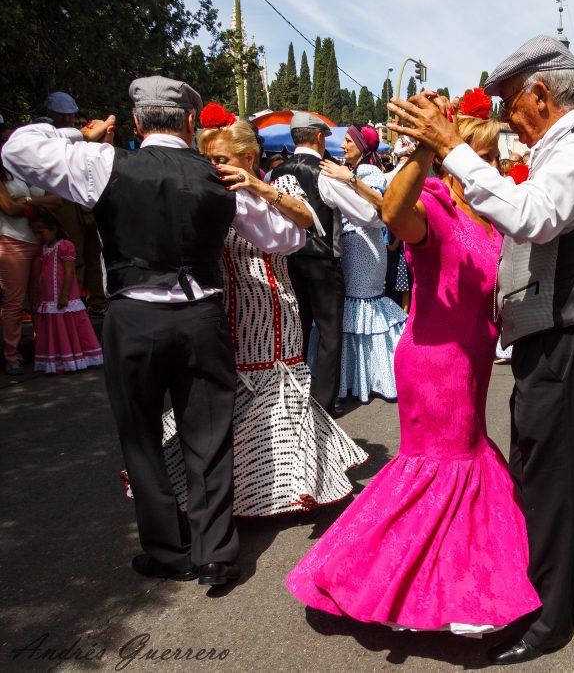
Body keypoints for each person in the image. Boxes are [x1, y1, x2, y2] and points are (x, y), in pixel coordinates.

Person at [388, 35, 574, 664]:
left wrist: (451, 148)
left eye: (511, 104)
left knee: (548, 478)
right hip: (549, 332)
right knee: (538, 471)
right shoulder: (563, 146)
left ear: (540, 94)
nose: (506, 119)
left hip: (567, 331)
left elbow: (532, 217)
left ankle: (551, 620)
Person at [2, 76, 309, 587]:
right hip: (203, 317)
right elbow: (284, 238)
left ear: (138, 123)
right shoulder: (217, 175)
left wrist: (83, 134)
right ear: (191, 124)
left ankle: (168, 550)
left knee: (140, 435)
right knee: (209, 437)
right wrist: (258, 189)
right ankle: (214, 554)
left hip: (134, 316)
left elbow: (17, 149)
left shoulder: (104, 164)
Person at [287, 91, 540, 634]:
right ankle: (391, 580)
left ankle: (457, 569)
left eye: (496, 158)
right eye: (483, 156)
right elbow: (393, 213)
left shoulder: (489, 212)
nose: (492, 167)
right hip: (434, 364)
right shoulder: (434, 201)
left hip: (471, 360)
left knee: (466, 459)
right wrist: (424, 153)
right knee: (435, 468)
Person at [150, 104, 368, 517]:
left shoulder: (282, 181)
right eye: (208, 159)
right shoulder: (208, 193)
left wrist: (257, 187)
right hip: (234, 312)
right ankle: (239, 491)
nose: (214, 167)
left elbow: (306, 221)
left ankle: (289, 486)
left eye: (222, 160)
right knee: (235, 399)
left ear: (248, 158)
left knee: (284, 395)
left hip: (279, 307)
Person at [314, 124, 406, 403]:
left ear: (362, 146)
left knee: (363, 305)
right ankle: (356, 377)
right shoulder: (352, 170)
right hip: (353, 246)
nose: (343, 146)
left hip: (366, 247)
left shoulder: (370, 173)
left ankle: (372, 376)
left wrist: (348, 180)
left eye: (348, 142)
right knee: (353, 310)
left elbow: (376, 212)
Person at [272, 113, 347, 414]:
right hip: (323, 258)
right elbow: (357, 211)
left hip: (289, 258)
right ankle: (324, 403)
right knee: (330, 332)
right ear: (318, 137)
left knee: (297, 328)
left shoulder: (276, 173)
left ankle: (295, 394)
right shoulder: (326, 170)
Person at [2, 124, 59, 375]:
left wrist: (25, 202)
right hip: (11, 241)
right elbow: (7, 208)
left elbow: (56, 200)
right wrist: (33, 205)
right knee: (14, 302)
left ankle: (42, 349)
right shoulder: (2, 174)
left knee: (41, 300)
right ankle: (11, 355)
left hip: (41, 244)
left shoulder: (33, 169)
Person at [46, 91, 107, 315]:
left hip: (88, 196)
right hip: (64, 198)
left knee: (94, 252)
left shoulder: (82, 136)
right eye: (64, 115)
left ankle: (97, 301)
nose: (69, 119)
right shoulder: (49, 138)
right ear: (52, 114)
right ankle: (73, 301)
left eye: (71, 115)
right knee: (74, 253)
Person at [27, 208, 102, 373]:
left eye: (41, 232)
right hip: (49, 298)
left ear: (53, 229)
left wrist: (64, 295)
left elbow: (69, 272)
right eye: (36, 233)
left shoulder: (65, 246)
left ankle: (74, 358)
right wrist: (38, 295)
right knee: (55, 328)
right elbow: (40, 274)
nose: (39, 237)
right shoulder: (43, 249)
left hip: (63, 296)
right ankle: (59, 360)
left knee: (68, 325)